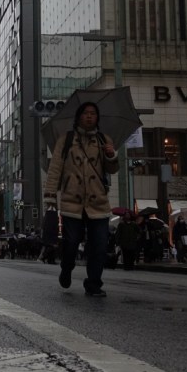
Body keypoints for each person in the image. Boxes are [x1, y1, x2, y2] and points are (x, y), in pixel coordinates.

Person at [43, 101, 119, 296]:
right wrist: (50, 195)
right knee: (71, 242)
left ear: (97, 117)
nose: (89, 116)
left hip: (97, 202)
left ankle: (93, 283)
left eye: (93, 113)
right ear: (78, 117)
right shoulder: (66, 140)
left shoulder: (103, 140)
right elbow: (55, 168)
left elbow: (112, 169)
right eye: (85, 113)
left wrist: (111, 155)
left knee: (99, 246)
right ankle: (66, 267)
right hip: (72, 201)